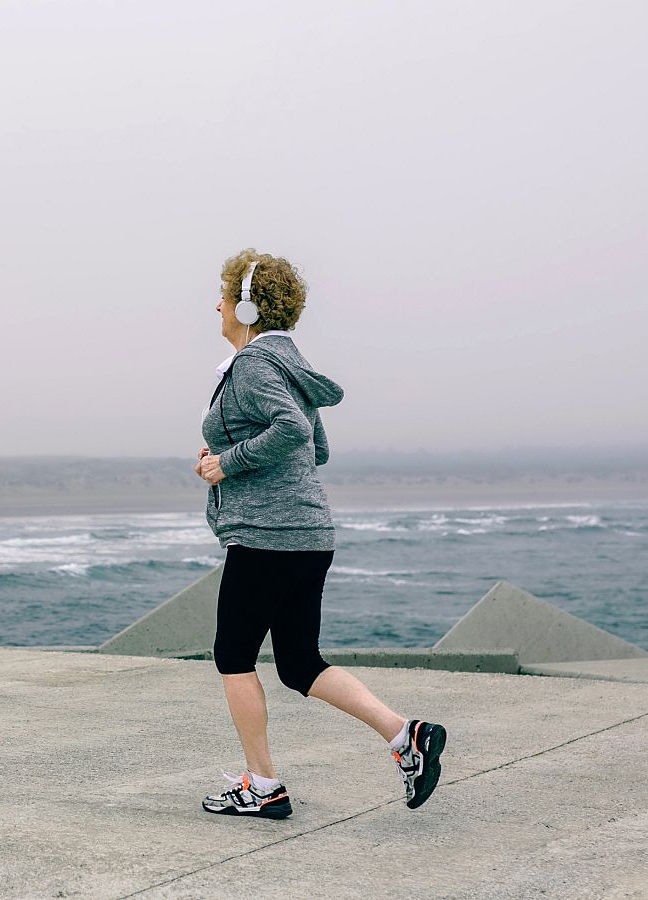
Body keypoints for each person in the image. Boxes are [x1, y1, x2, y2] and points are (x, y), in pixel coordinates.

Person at [193, 248, 446, 819]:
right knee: (299, 663)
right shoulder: (291, 365)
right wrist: (236, 454)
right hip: (309, 536)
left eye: (226, 295)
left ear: (249, 305)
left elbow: (286, 429)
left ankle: (263, 787)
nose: (217, 305)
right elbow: (317, 447)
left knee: (234, 656)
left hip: (266, 536)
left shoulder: (255, 367)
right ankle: (406, 735)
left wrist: (225, 462)